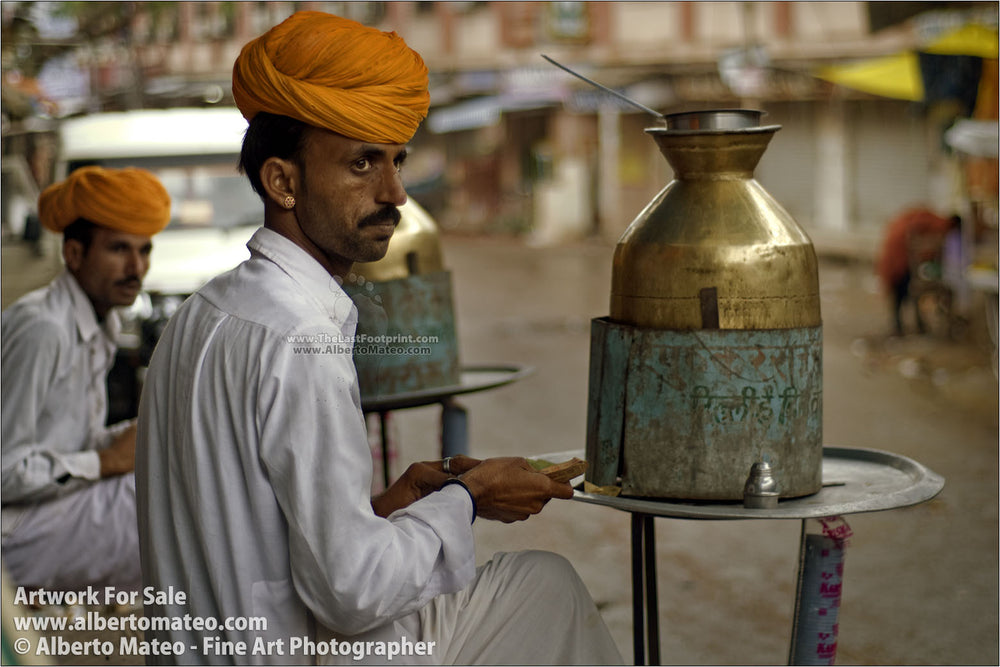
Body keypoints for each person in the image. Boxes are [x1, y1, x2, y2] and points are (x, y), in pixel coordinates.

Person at [136, 11, 622, 666]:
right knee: (545, 585)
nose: (394, 192)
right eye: (362, 163)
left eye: (397, 161)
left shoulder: (202, 312)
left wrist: (391, 505)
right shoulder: (300, 336)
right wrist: (468, 498)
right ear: (282, 180)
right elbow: (349, 591)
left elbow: (257, 536)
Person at [1, 166, 170, 592]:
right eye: (118, 249)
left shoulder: (103, 323)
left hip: (49, 511)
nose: (137, 268)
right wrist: (108, 460)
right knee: (165, 503)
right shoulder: (44, 328)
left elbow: (67, 443)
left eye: (144, 250)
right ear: (73, 255)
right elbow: (5, 470)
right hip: (14, 531)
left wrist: (134, 437)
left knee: (176, 461)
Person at [876, 207, 961, 336]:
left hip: (898, 255)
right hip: (899, 257)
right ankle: (901, 326)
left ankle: (906, 326)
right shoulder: (939, 225)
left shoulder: (931, 220)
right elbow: (922, 245)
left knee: (905, 293)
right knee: (903, 292)